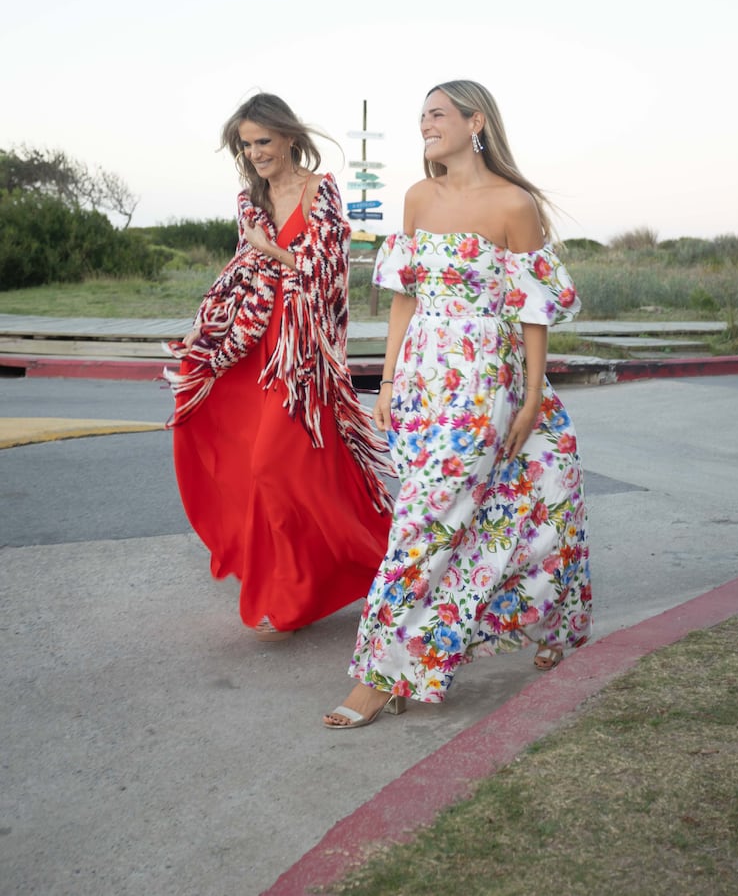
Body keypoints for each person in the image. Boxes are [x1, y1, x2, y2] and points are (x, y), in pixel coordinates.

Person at [324, 79, 591, 728]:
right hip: (420, 376)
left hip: (482, 378)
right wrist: (385, 382)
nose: (424, 126)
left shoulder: (512, 203)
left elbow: (532, 308)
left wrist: (530, 397)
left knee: (424, 519)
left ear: (475, 121)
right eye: (420, 117)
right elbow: (403, 295)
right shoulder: (417, 196)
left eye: (436, 114)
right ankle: (550, 619)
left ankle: (378, 674)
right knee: (469, 509)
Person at [164, 92, 393, 640]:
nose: (257, 152)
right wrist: (208, 321)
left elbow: (329, 269)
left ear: (290, 137)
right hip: (254, 349)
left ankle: (380, 561)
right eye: (247, 144)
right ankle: (287, 590)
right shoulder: (251, 199)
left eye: (263, 140)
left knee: (280, 467)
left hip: (302, 358)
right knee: (252, 468)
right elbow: (241, 270)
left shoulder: (322, 190)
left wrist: (273, 253)